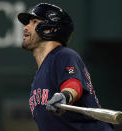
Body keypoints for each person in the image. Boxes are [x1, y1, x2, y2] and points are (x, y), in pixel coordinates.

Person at [18, 3, 114, 131]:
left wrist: (65, 96)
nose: (25, 27)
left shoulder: (63, 55)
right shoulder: (41, 73)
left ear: (51, 29)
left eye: (34, 22)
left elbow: (73, 84)